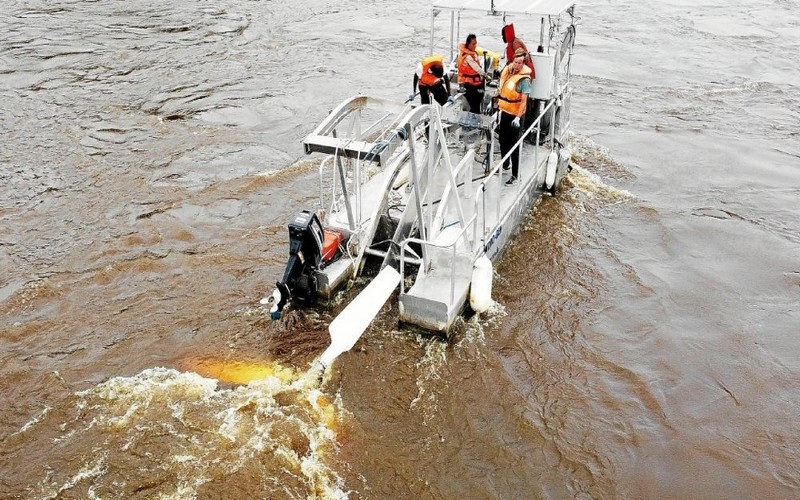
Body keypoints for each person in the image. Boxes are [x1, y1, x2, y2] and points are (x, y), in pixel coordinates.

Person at [496, 48, 532, 185]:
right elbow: (502, 89)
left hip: (515, 116)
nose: (517, 65)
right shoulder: (508, 71)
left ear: (523, 64)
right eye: (515, 62)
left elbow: (524, 102)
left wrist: (517, 117)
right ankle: (505, 163)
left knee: (514, 145)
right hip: (504, 111)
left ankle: (516, 175)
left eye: (520, 63)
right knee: (502, 140)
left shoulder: (524, 80)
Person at [457, 34, 486, 114]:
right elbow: (476, 67)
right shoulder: (468, 57)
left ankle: (474, 120)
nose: (475, 46)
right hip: (468, 84)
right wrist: (485, 75)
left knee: (477, 102)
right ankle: (473, 122)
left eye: (476, 43)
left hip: (475, 82)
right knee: (475, 105)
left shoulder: (472, 53)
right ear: (468, 44)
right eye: (473, 44)